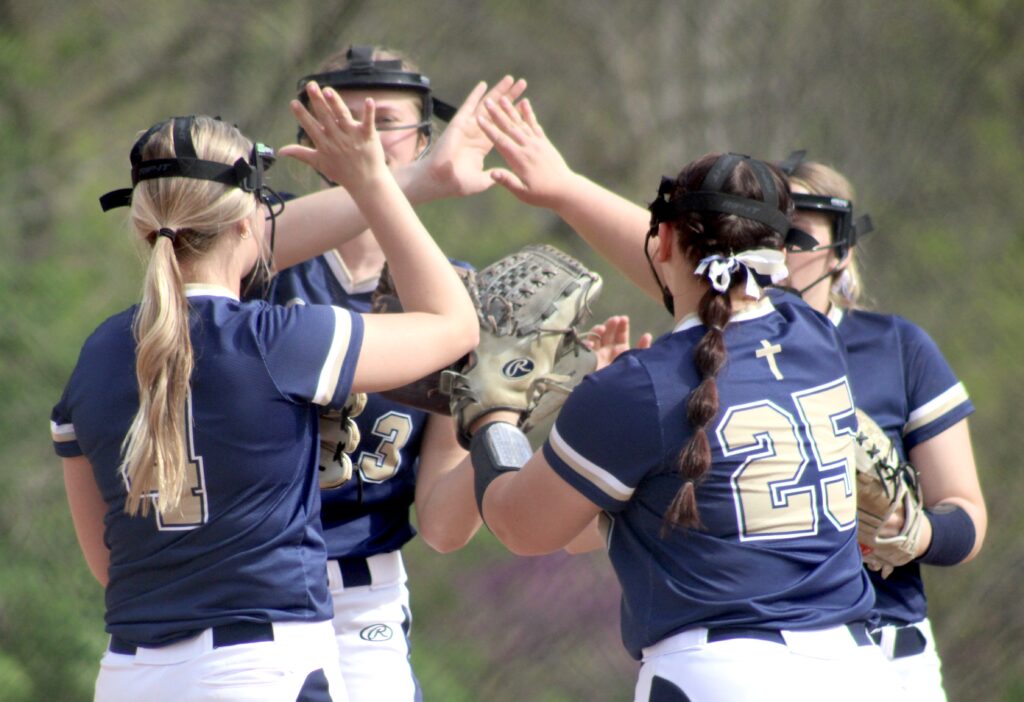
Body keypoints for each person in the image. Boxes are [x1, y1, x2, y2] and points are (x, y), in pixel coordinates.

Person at [52, 81, 478, 702]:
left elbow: (108, 565)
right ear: (249, 225)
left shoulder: (96, 355)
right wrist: (377, 183)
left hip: (130, 674)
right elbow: (455, 325)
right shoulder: (279, 340)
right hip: (257, 667)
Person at [458, 151, 902, 701]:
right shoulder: (815, 333)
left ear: (665, 240)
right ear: (779, 252)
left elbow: (519, 526)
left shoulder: (639, 386)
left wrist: (492, 415)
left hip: (721, 672)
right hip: (860, 671)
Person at [265, 45, 524, 702]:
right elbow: (239, 242)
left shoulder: (458, 300)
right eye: (342, 118)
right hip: (248, 572)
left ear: (426, 140)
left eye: (384, 121)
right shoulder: (257, 260)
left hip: (362, 589)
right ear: (306, 139)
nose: (362, 137)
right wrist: (418, 181)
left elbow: (441, 527)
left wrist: (501, 415)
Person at [783, 156, 986, 701]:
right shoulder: (711, 354)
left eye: (798, 236)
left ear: (842, 251)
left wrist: (914, 531)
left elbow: (965, 513)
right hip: (762, 655)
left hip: (885, 644)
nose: (779, 251)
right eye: (764, 231)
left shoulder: (894, 348)